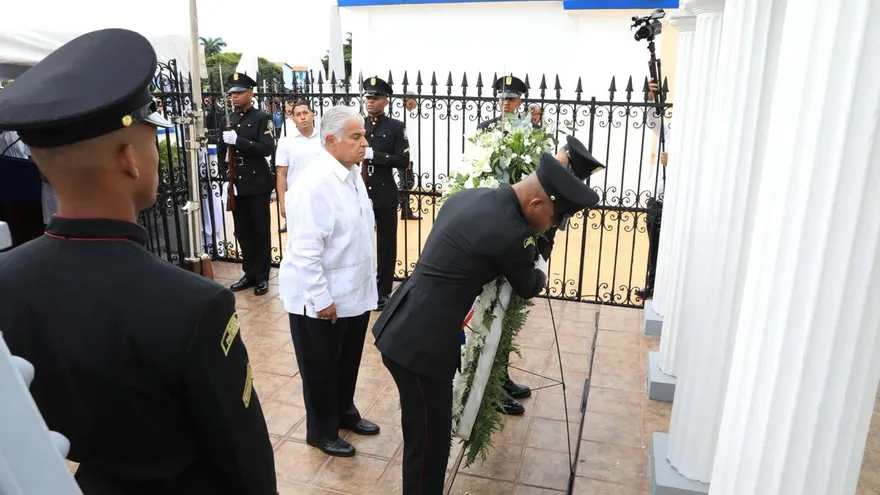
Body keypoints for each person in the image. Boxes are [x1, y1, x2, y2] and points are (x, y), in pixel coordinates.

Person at [0, 28, 277, 494]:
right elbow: (244, 460)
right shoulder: (193, 305)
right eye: (152, 138)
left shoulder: (7, 277)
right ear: (130, 158)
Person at [372, 153, 601, 494]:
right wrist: (540, 266)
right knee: (429, 447)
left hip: (404, 321)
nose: (551, 227)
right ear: (536, 202)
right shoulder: (511, 233)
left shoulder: (471, 196)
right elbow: (528, 284)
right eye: (554, 220)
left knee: (425, 437)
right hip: (420, 346)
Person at [279, 106, 381, 458]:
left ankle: (344, 412)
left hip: (352, 292)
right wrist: (321, 298)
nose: (364, 143)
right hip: (319, 298)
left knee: (346, 360)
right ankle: (320, 431)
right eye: (356, 137)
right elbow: (306, 250)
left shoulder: (350, 174)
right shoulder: (313, 184)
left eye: (364, 136)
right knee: (321, 367)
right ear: (331, 141)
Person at [223, 70, 275, 296]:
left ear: (250, 93)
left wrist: (239, 141)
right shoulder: (231, 119)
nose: (234, 97)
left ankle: (262, 276)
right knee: (242, 230)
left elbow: (267, 148)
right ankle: (249, 272)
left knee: (260, 230)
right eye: (232, 93)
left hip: (257, 182)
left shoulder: (262, 118)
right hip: (238, 182)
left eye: (239, 93)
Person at [362, 76, 410, 310]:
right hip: (360, 192)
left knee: (386, 245)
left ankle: (382, 291)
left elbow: (403, 160)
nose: (370, 101)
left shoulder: (396, 127)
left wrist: (376, 157)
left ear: (385, 100)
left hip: (384, 193)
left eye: (375, 97)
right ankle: (364, 286)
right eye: (368, 97)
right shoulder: (358, 125)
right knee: (360, 242)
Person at [275, 100, 322, 233]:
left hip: (322, 198)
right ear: (293, 118)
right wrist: (283, 203)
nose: (302, 117)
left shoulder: (324, 140)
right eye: (298, 114)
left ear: (312, 114)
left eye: (305, 113)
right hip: (297, 199)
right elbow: (281, 174)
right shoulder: (286, 142)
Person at [399, 93, 422, 220]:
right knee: (407, 182)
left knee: (407, 182)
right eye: (416, 101)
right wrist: (407, 158)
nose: (416, 104)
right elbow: (404, 140)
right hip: (405, 157)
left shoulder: (407, 115)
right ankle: (402, 208)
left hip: (408, 157)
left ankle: (405, 211)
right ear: (410, 101)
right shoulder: (402, 116)